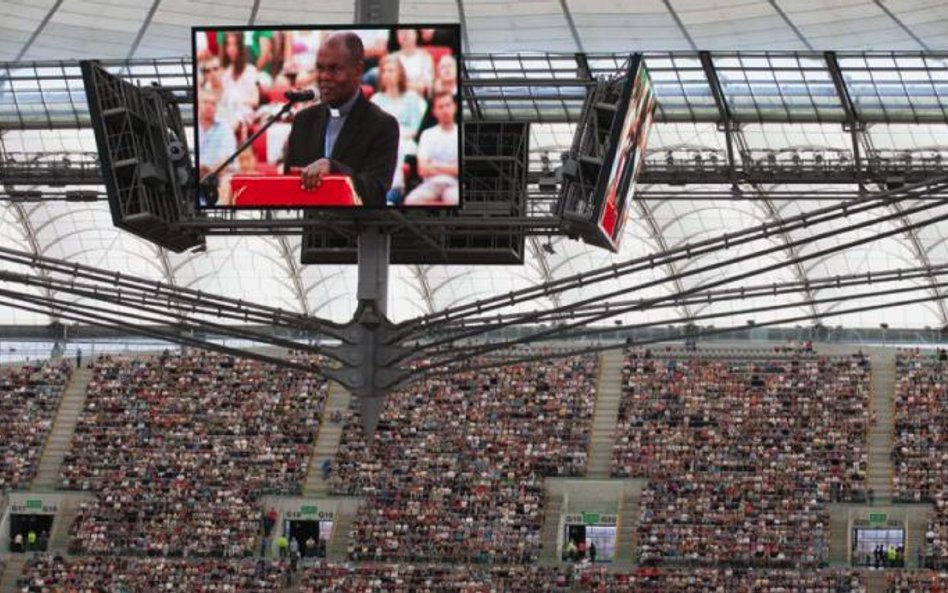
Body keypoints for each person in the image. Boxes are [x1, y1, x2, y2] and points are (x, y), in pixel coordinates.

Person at [283, 31, 399, 208]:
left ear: (358, 71)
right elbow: (289, 182)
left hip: (357, 231)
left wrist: (333, 167)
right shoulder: (303, 121)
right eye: (320, 68)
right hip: (310, 230)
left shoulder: (382, 125)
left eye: (334, 69)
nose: (324, 77)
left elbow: (375, 191)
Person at [404, 91, 459, 206]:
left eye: (448, 105)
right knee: (410, 201)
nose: (445, 110)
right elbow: (422, 170)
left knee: (456, 201)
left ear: (454, 107)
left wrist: (434, 165)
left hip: (454, 184)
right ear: (434, 111)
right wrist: (451, 167)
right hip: (430, 184)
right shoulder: (427, 134)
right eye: (440, 107)